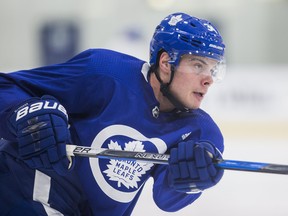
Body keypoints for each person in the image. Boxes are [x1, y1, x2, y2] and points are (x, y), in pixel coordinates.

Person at [0, 12, 226, 215]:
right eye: (198, 65)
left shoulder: (201, 132)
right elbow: (7, 86)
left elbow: (167, 200)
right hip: (22, 189)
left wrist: (194, 179)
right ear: (166, 63)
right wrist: (25, 113)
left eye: (213, 69)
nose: (208, 79)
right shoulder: (104, 72)